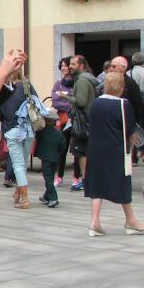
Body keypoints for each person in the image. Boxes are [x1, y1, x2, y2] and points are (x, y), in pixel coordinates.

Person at [85, 73, 144, 237]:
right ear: (121, 88)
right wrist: (133, 148)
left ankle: (94, 222)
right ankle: (130, 220)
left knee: (97, 184)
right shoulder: (123, 104)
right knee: (122, 182)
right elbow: (130, 130)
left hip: (96, 148)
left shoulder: (96, 103)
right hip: (116, 149)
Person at [0, 69, 43, 209]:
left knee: (17, 165)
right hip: (28, 129)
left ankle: (25, 199)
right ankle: (17, 194)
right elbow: (37, 103)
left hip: (12, 129)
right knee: (21, 163)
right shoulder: (27, 85)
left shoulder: (3, 90)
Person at [57, 55, 98, 192]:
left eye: (73, 64)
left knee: (81, 152)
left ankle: (86, 182)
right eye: (70, 64)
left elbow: (80, 102)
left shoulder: (81, 80)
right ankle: (88, 181)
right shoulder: (86, 78)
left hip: (82, 122)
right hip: (89, 120)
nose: (70, 66)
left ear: (81, 66)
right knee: (84, 151)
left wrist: (65, 96)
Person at [51, 57, 74, 187]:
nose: (64, 68)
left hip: (75, 119)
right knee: (62, 148)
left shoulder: (76, 82)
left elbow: (76, 100)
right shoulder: (58, 83)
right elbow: (55, 101)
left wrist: (65, 100)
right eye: (62, 66)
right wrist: (68, 103)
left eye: (66, 65)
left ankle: (77, 178)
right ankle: (59, 176)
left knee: (76, 150)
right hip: (63, 119)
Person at [34, 109, 63, 208]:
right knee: (50, 177)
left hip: (46, 158)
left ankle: (54, 198)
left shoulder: (41, 132)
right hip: (55, 158)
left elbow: (37, 138)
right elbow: (62, 147)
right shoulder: (59, 133)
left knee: (48, 179)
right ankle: (46, 197)